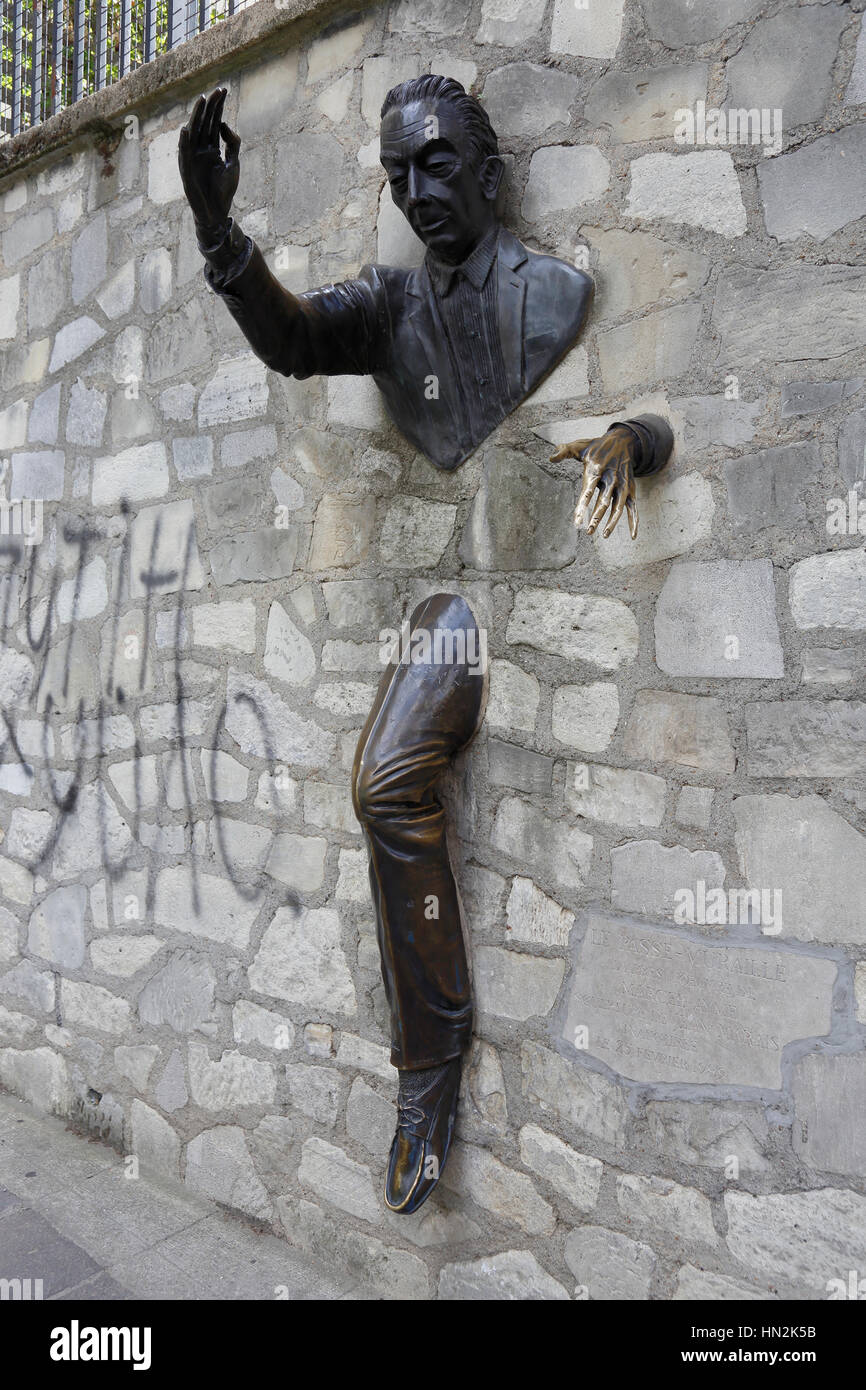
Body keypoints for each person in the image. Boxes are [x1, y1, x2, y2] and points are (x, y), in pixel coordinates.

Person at [178, 75, 673, 1214]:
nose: (415, 192)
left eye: (436, 165)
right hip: (444, 606)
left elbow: (643, 428)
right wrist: (219, 230)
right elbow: (295, 339)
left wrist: (626, 441)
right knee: (380, 782)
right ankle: (428, 1064)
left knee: (380, 780)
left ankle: (427, 1068)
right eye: (397, 174)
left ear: (490, 175)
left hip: (513, 602)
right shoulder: (390, 306)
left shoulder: (553, 294)